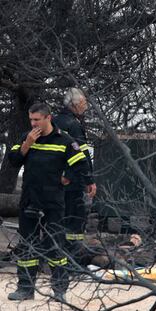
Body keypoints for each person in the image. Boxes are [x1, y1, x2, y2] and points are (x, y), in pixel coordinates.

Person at [7, 103, 93, 301]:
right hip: (29, 199)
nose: (33, 123)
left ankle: (60, 290)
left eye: (37, 119)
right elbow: (13, 161)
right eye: (31, 120)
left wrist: (67, 177)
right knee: (27, 244)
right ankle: (25, 289)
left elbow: (81, 165)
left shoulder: (64, 140)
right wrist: (27, 144)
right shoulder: (26, 137)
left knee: (55, 246)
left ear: (48, 118)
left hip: (53, 201)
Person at [53, 88, 96, 264]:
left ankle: (54, 257)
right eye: (84, 103)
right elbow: (82, 156)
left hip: (54, 181)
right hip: (74, 181)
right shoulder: (74, 125)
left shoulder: (53, 122)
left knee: (56, 219)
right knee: (75, 221)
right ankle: (73, 261)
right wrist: (89, 180)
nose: (86, 106)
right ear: (76, 104)